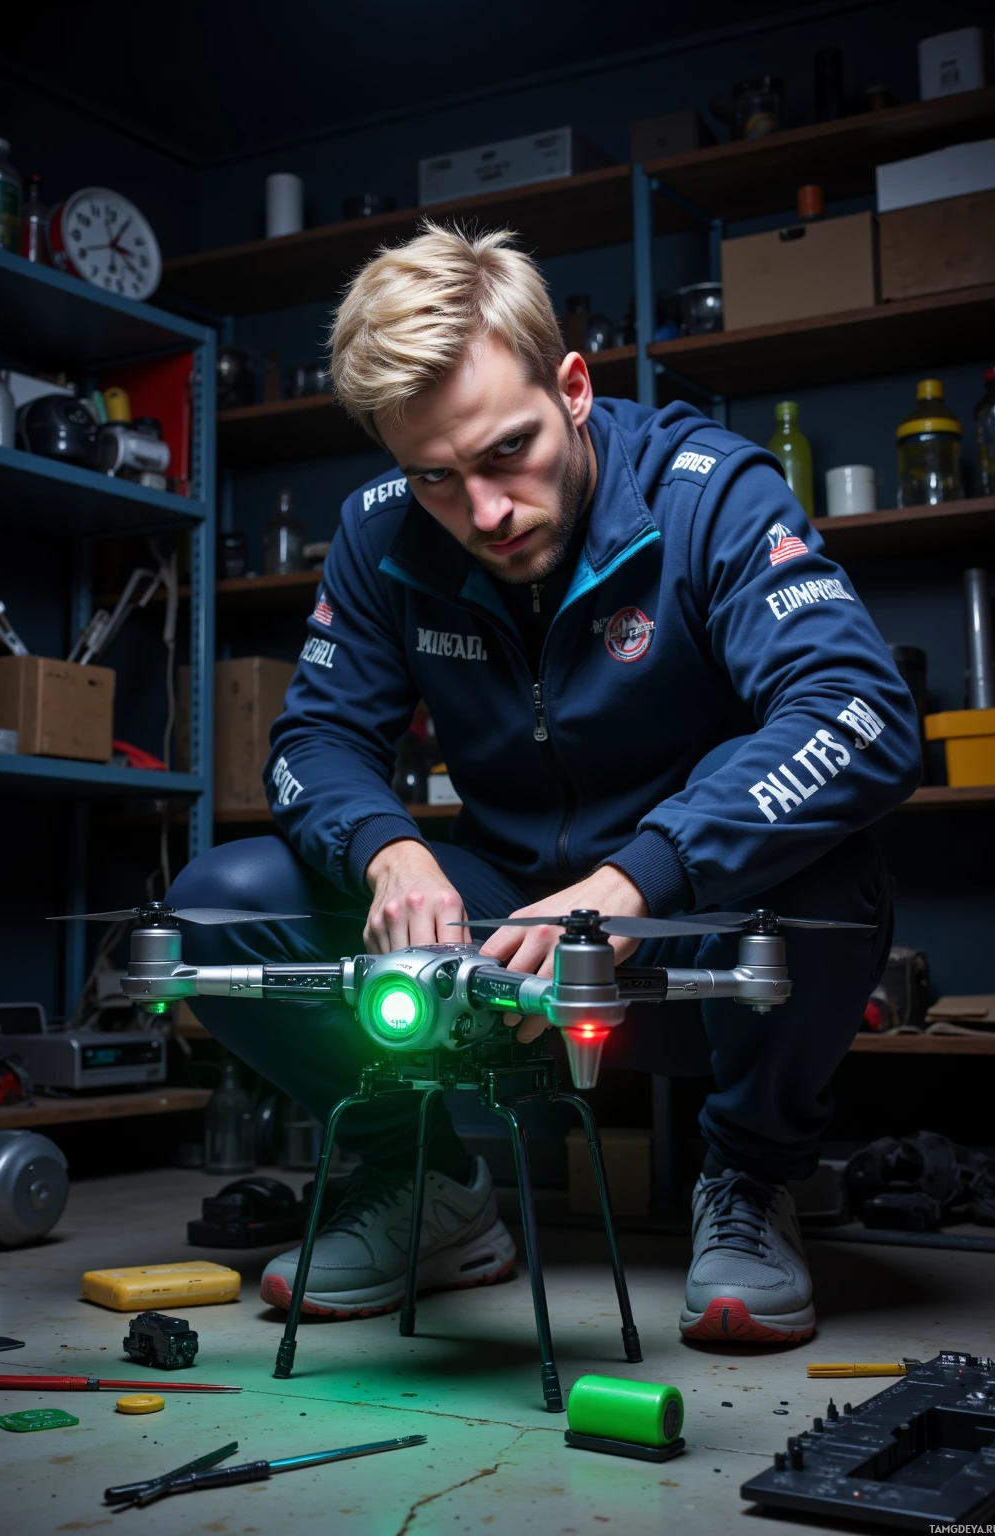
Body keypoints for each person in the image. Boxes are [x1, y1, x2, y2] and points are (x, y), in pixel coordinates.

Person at [170, 222, 921, 1343]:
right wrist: (390, 848)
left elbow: (858, 715)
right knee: (219, 904)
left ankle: (751, 1180)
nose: (482, 512)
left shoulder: (706, 491)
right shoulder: (378, 534)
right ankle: (428, 1188)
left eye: (506, 450)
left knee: (831, 876)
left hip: (685, 937)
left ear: (572, 386)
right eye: (432, 475)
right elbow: (311, 739)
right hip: (504, 929)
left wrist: (640, 880)